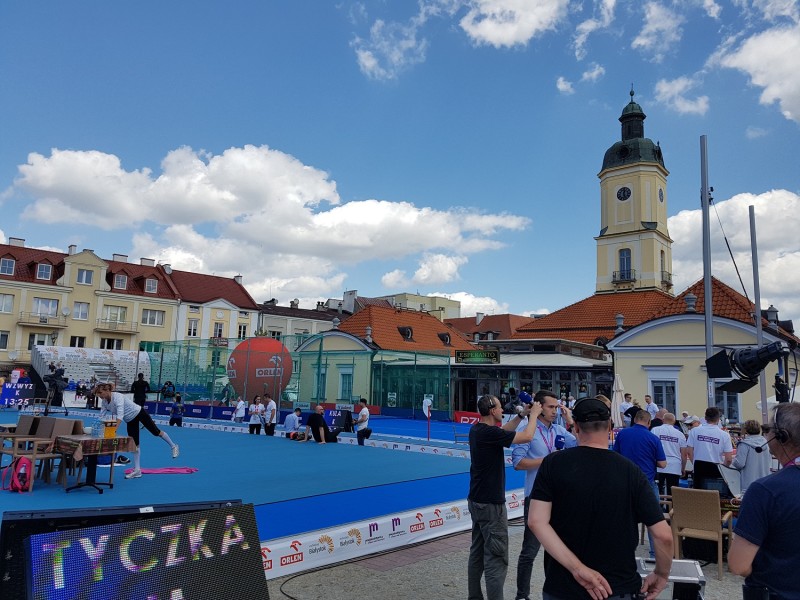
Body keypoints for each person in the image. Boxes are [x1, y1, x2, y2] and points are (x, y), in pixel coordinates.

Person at [529, 397, 673, 600]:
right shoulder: (631, 471)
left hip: (563, 586)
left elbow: (536, 521)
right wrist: (661, 573)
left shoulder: (553, 463)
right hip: (618, 587)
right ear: (610, 428)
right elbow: (663, 535)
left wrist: (577, 568)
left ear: (576, 427)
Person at [467, 394, 539, 600]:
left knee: (477, 553)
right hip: (491, 503)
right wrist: (533, 416)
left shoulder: (478, 430)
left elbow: (502, 431)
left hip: (476, 499)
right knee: (496, 558)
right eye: (499, 408)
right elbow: (526, 437)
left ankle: (474, 596)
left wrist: (522, 416)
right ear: (492, 411)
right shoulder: (489, 433)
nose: (502, 410)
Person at [728, 403, 800, 599]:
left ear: (782, 436)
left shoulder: (764, 491)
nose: (765, 434)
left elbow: (738, 564)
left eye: (767, 429)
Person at [511, 390, 576, 600]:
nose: (555, 411)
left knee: (558, 549)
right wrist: (548, 460)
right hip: (536, 497)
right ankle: (522, 595)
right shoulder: (527, 430)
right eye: (551, 407)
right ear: (539, 407)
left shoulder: (558, 429)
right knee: (529, 551)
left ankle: (555, 592)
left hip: (559, 497)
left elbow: (580, 445)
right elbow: (518, 463)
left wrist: (570, 421)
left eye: (557, 407)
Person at [95, 382, 179, 479]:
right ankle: (137, 471)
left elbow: (120, 416)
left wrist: (113, 430)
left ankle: (173, 446)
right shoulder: (104, 402)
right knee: (135, 445)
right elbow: (101, 416)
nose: (99, 395)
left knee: (156, 432)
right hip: (130, 420)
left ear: (107, 390)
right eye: (98, 394)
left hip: (139, 412)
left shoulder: (118, 397)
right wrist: (96, 429)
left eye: (100, 393)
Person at [613, 409, 667, 559]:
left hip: (624, 481)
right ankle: (655, 555)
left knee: (624, 518)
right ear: (649, 422)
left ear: (635, 420)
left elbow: (615, 455)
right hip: (646, 482)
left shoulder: (623, 434)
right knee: (654, 519)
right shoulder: (653, 438)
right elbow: (662, 464)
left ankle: (623, 553)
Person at [686, 406, 733, 489]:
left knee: (699, 496)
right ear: (718, 419)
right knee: (714, 497)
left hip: (699, 467)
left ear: (705, 418)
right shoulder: (725, 435)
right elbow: (729, 459)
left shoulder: (694, 431)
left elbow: (689, 452)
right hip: (716, 469)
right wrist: (723, 470)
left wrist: (695, 464)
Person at [728, 419, 772, 495]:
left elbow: (739, 464)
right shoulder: (766, 443)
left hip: (748, 483)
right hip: (765, 482)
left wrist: (732, 460)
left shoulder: (744, 444)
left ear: (746, 430)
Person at [650, 413, 687, 496]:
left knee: (658, 491)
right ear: (674, 422)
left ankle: (659, 507)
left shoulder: (655, 430)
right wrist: (683, 468)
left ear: (663, 420)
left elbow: (650, 447)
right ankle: (671, 508)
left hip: (658, 464)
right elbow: (684, 454)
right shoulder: (680, 434)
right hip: (675, 465)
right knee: (673, 493)